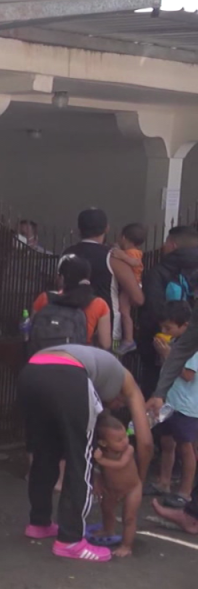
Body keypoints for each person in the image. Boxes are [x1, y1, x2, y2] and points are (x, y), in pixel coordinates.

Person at [18, 344, 152, 561]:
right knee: (80, 458)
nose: (116, 406)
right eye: (119, 403)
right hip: (68, 375)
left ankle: (39, 523)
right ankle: (70, 541)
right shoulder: (127, 384)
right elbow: (145, 442)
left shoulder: (97, 363)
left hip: (31, 372)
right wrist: (140, 480)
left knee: (45, 451)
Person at [61, 208, 142, 343]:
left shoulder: (67, 254)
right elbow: (138, 298)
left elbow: (60, 285)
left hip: (70, 324)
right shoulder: (113, 256)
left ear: (79, 229)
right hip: (105, 328)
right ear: (107, 228)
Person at [138, 226, 198, 396]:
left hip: (159, 343)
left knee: (154, 386)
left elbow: (153, 307)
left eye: (165, 242)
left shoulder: (158, 271)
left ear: (172, 245)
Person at [153, 301, 198, 501]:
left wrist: (168, 355)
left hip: (186, 406)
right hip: (170, 402)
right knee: (166, 442)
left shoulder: (191, 348)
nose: (164, 331)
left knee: (185, 446)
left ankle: (185, 492)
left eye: (168, 328)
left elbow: (188, 375)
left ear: (185, 326)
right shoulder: (174, 344)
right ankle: (164, 482)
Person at [30, 255, 112, 350]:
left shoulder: (44, 298)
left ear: (62, 278)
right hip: (77, 359)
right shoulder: (99, 304)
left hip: (43, 356)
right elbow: (105, 344)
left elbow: (31, 331)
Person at [90, 413, 142, 558]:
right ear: (104, 443)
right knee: (106, 509)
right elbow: (99, 470)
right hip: (111, 489)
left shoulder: (128, 450)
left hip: (132, 489)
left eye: (125, 436)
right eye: (119, 440)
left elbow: (120, 464)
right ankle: (108, 529)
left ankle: (126, 545)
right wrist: (98, 482)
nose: (125, 441)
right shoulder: (102, 453)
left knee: (129, 518)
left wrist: (100, 460)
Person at [111, 223, 147, 353]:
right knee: (124, 311)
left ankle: (128, 339)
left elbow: (135, 263)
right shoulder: (130, 251)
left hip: (132, 285)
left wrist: (121, 255)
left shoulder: (133, 253)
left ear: (124, 238)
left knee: (124, 312)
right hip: (132, 284)